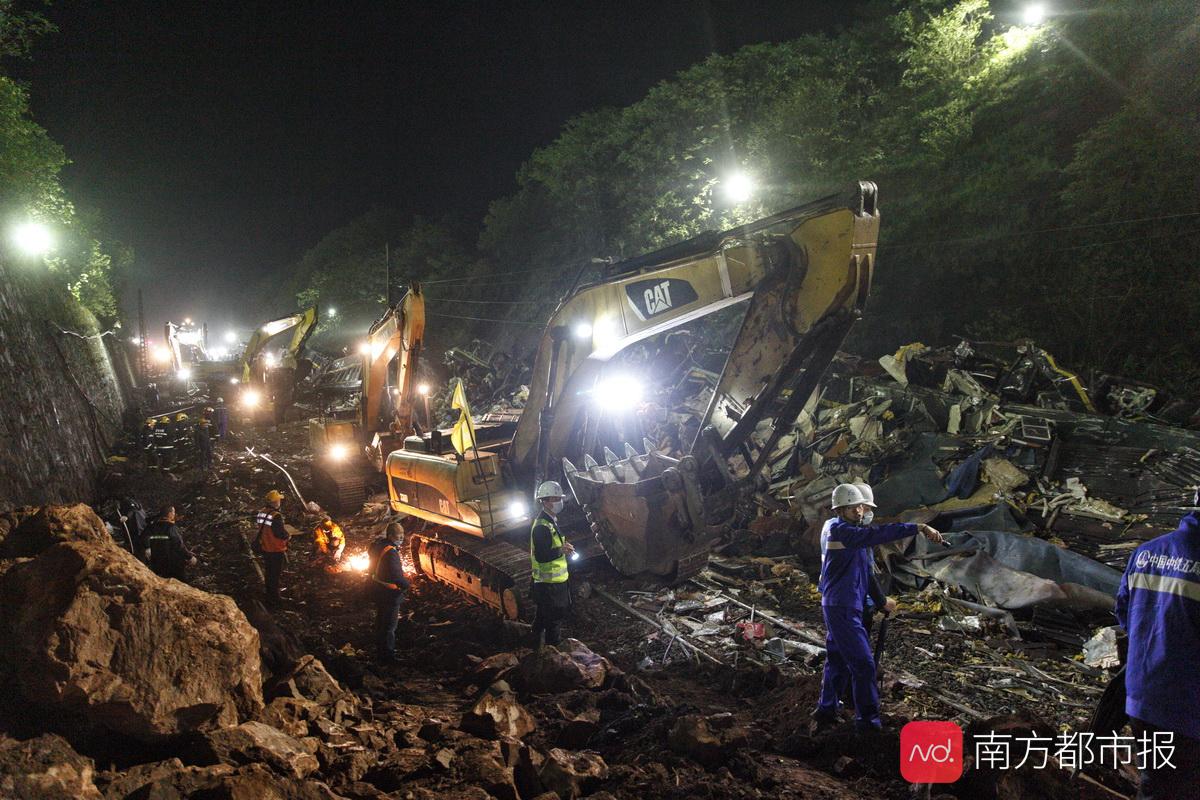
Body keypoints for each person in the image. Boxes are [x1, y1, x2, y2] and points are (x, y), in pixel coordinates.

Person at [812, 482, 943, 733]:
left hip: (845, 603)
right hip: (842, 606)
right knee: (863, 665)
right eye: (854, 509)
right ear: (840, 510)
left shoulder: (848, 533)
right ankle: (868, 724)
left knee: (838, 660)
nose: (860, 513)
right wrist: (918, 527)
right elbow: (878, 534)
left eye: (861, 508)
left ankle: (826, 710)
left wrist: (881, 601)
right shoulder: (842, 531)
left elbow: (866, 574)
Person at [1115, 493, 1200, 799]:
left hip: (1141, 696)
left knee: (1156, 784)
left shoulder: (1147, 552)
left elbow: (1126, 617)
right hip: (1186, 705)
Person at [530, 480, 575, 648]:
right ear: (545, 501)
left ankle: (533, 647)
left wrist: (564, 547)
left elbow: (552, 545)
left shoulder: (550, 521)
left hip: (551, 583)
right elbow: (542, 556)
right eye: (556, 499)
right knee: (553, 622)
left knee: (542, 618)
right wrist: (560, 551)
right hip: (549, 585)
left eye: (559, 498)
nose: (559, 502)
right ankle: (553, 652)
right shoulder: (542, 526)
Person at [369, 521, 411, 663]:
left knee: (381, 623)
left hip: (377, 590)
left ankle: (380, 650)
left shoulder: (378, 546)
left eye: (402, 535)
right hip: (389, 595)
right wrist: (407, 585)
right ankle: (388, 657)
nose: (401, 538)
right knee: (389, 627)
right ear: (391, 535)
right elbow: (396, 576)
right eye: (399, 536)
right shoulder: (391, 553)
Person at [256, 489, 291, 606]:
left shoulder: (261, 512)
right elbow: (279, 533)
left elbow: (263, 529)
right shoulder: (276, 515)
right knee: (275, 574)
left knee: (269, 572)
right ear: (275, 502)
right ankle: (275, 599)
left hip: (265, 547)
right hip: (275, 549)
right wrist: (288, 536)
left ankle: (269, 594)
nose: (280, 502)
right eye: (278, 500)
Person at [144, 506, 197, 580]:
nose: (174, 514)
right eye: (173, 512)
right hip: (172, 565)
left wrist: (147, 548)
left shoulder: (152, 527)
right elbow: (178, 545)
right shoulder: (171, 528)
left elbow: (144, 538)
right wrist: (190, 557)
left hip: (156, 564)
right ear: (169, 514)